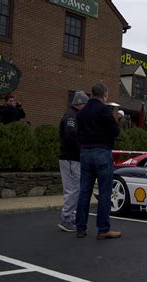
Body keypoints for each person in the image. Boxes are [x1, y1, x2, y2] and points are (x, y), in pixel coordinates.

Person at [75, 83, 121, 239]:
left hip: (85, 152)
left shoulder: (81, 112)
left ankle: (80, 228)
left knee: (84, 192)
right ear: (104, 95)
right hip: (101, 151)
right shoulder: (104, 110)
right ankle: (103, 229)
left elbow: (77, 133)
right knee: (105, 192)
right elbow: (115, 131)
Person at [58, 91, 89, 232]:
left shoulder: (73, 115)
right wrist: (82, 146)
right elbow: (70, 136)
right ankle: (66, 218)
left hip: (70, 157)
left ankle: (68, 216)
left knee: (73, 188)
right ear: (80, 103)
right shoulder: (72, 116)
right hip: (71, 157)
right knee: (73, 189)